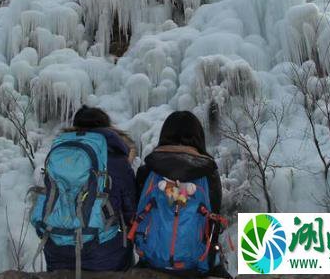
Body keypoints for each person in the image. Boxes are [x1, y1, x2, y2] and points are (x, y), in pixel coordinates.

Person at [41, 106, 137, 273]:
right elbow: (131, 210)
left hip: (56, 249)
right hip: (103, 254)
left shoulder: (61, 152)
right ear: (107, 127)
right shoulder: (115, 157)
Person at [134, 111, 230, 278]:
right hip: (194, 263)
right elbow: (214, 217)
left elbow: (137, 210)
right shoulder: (208, 172)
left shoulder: (149, 168)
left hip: (150, 260)